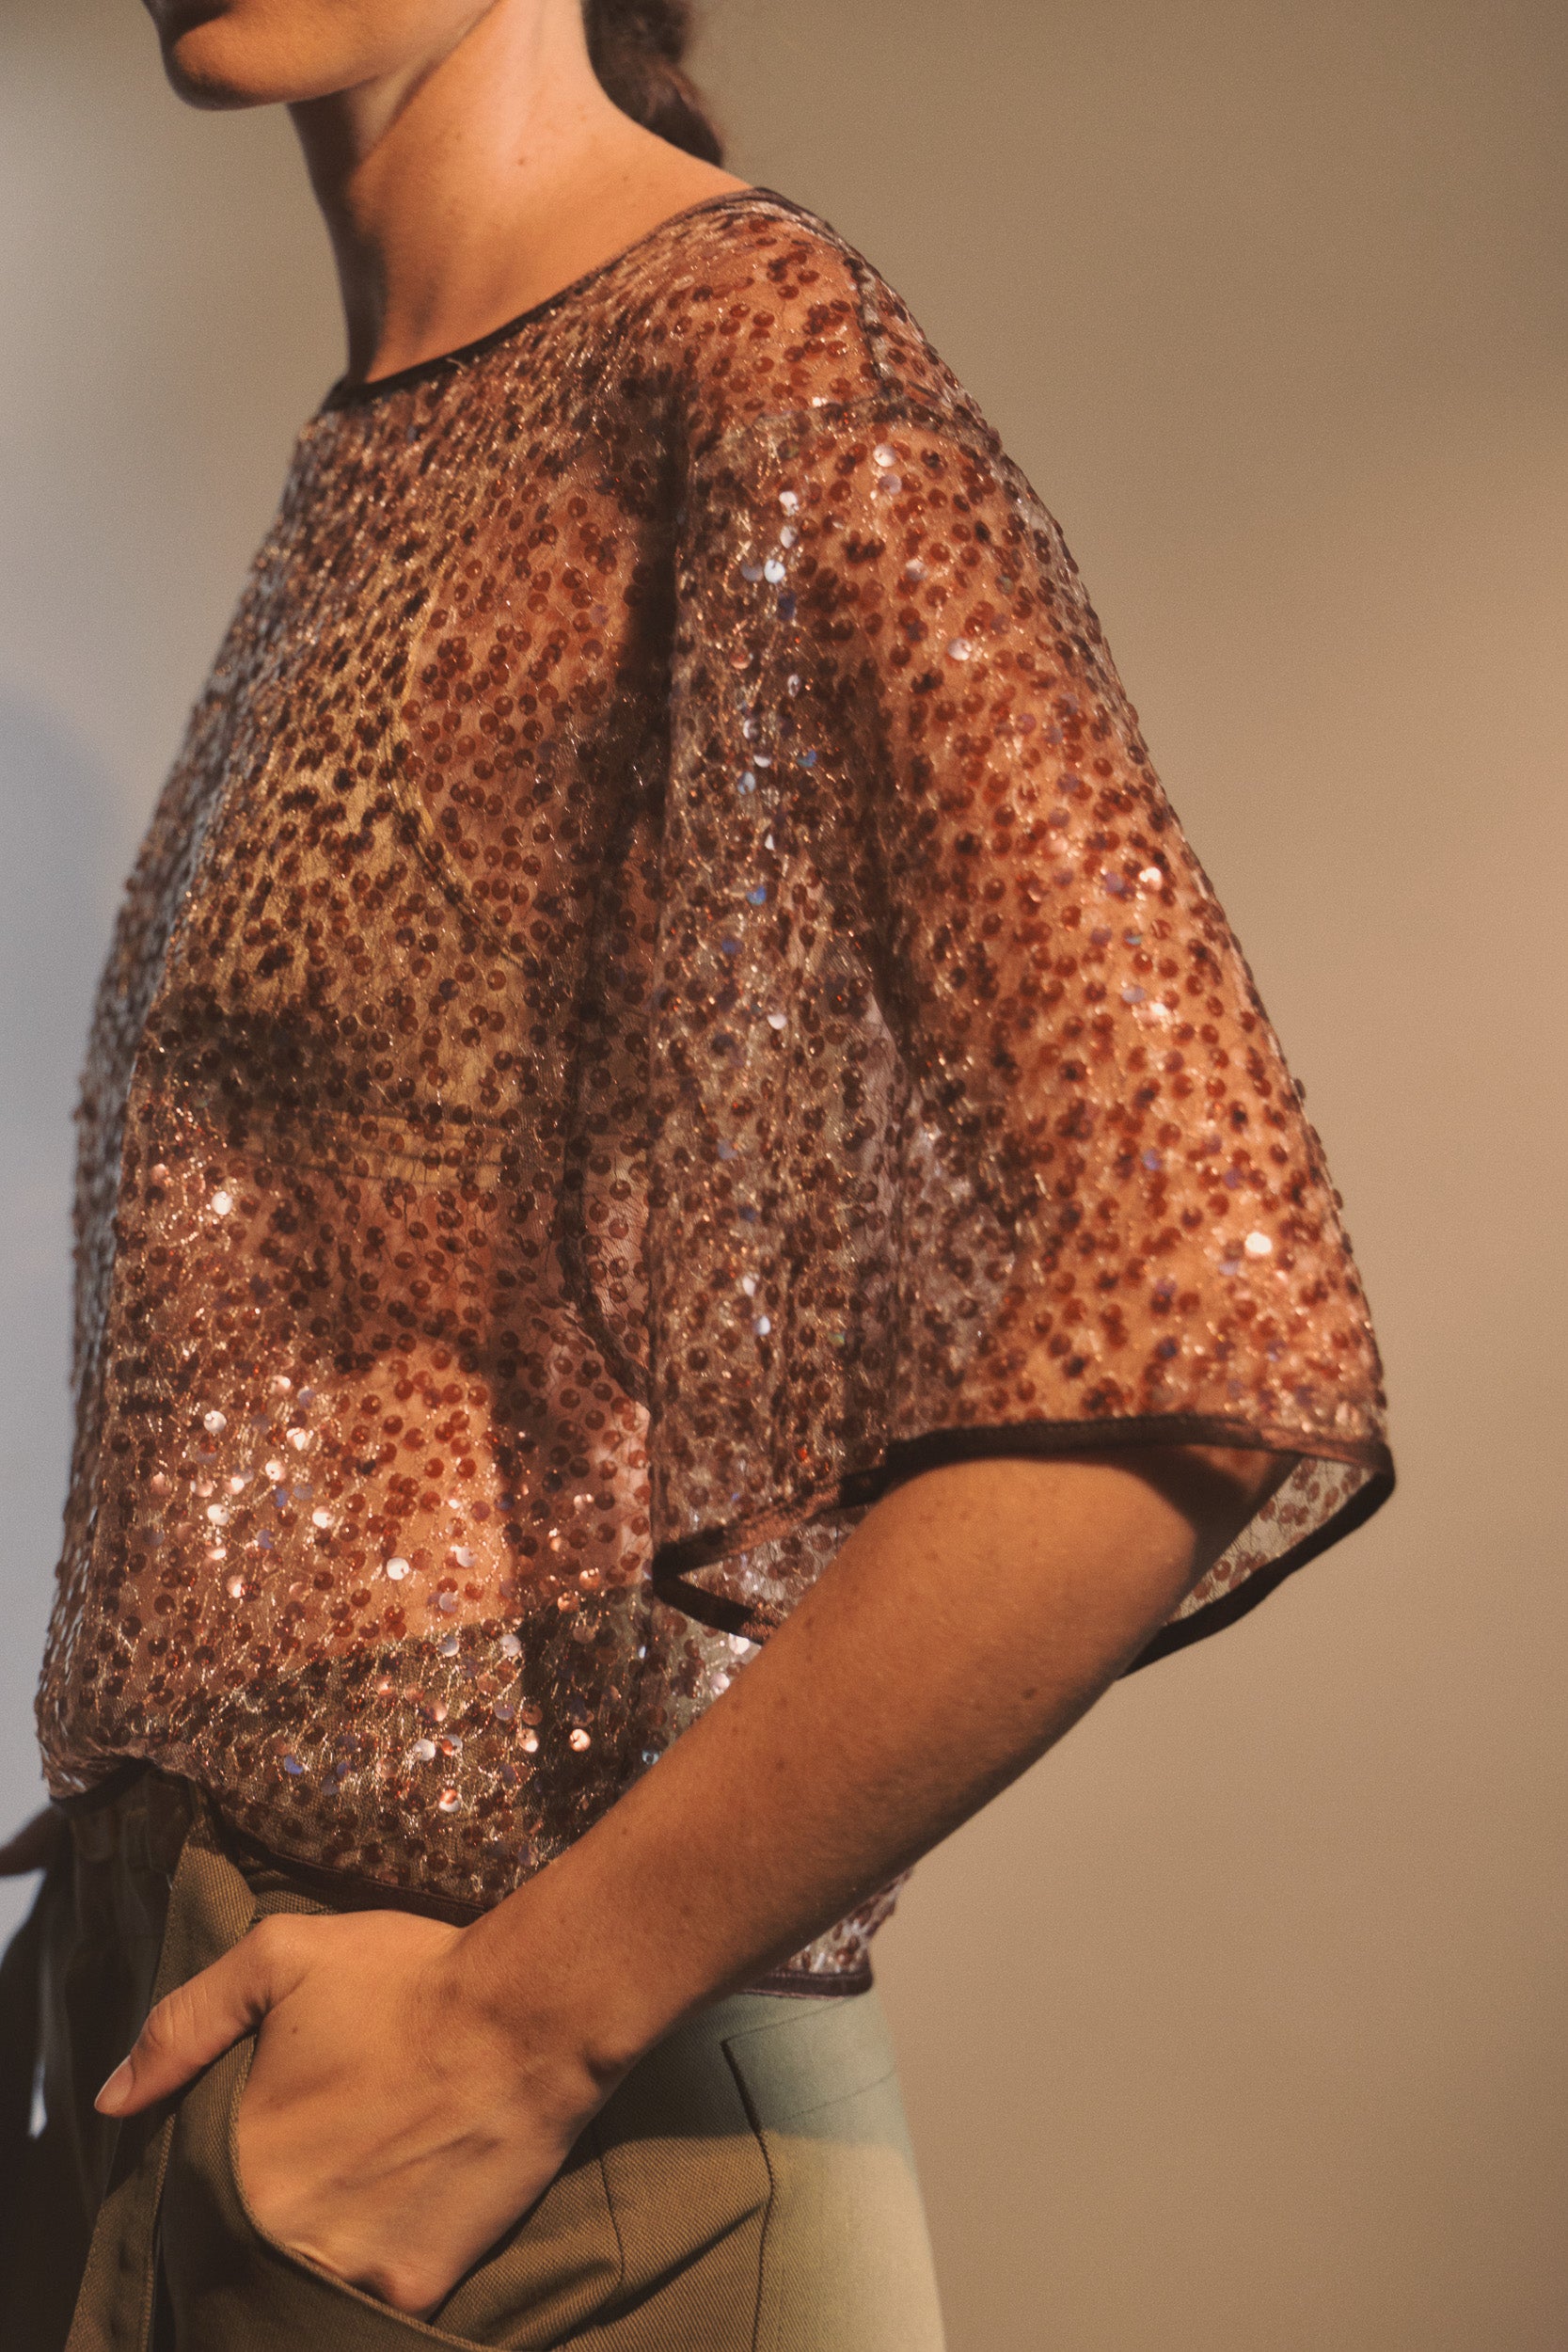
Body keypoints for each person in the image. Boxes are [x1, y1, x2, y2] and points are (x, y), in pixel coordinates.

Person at [0, 1, 1393, 2344]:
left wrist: (512, 2032)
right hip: (219, 2112)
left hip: (525, 2211)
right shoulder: (396, 430)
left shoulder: (748, 369)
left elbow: (1209, 1329)